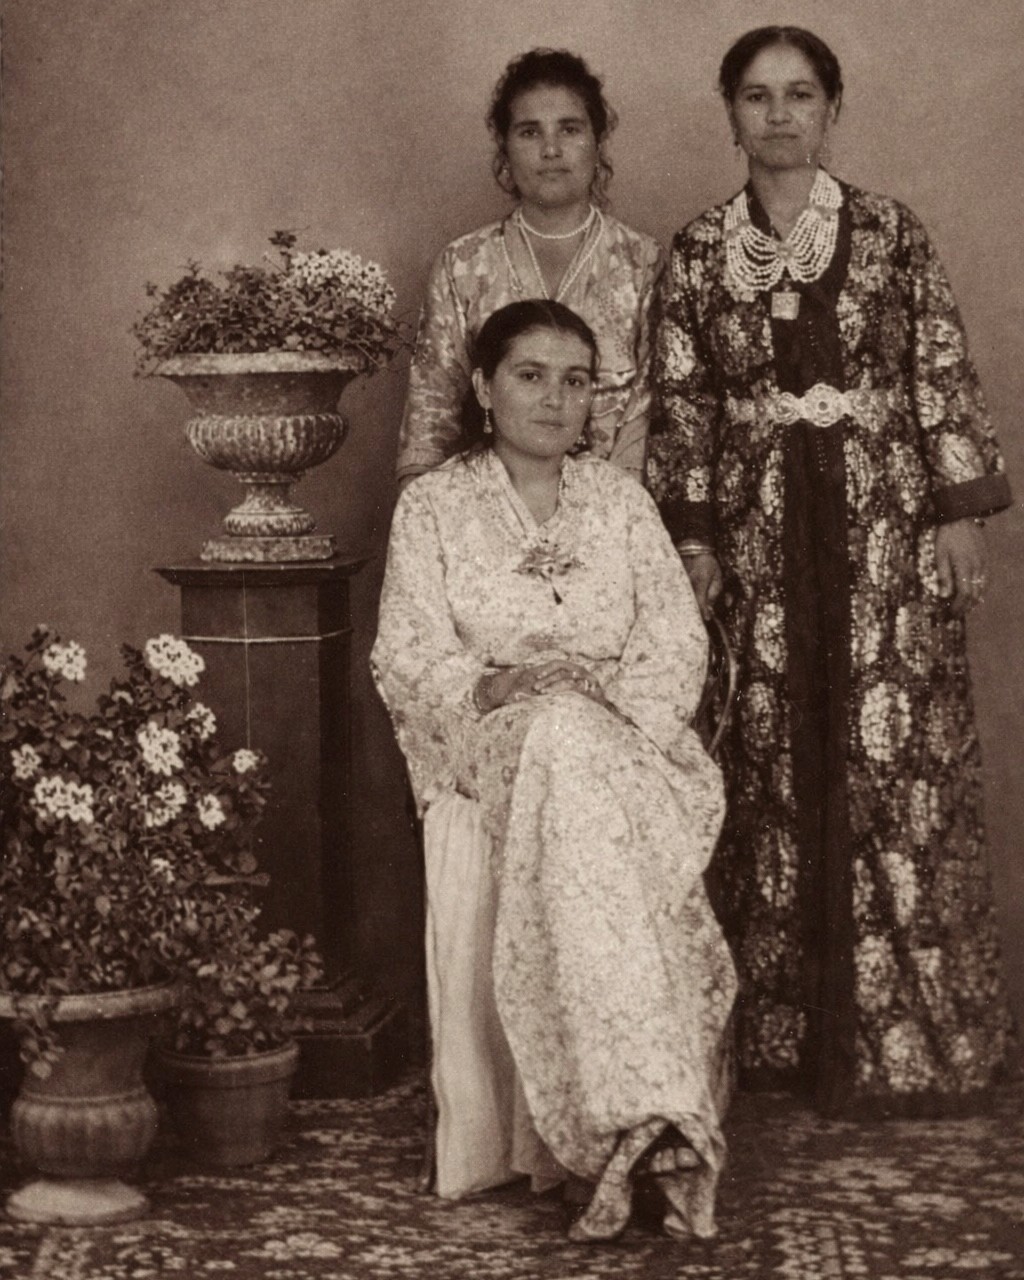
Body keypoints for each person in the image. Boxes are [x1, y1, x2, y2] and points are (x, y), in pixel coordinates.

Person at [648, 24, 1014, 1119]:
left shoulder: (892, 232)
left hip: (883, 530)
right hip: (759, 536)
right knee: (769, 760)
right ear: (729, 112)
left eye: (800, 94)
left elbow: (938, 365)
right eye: (757, 96)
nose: (779, 115)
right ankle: (781, 1042)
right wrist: (696, 540)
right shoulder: (697, 249)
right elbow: (683, 405)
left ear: (832, 109)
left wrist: (958, 513)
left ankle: (911, 1050)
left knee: (888, 758)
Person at [373, 300, 736, 1242]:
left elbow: (674, 642)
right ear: (484, 387)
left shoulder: (621, 502)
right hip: (497, 731)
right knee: (561, 745)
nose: (555, 398)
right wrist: (502, 685)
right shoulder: (434, 506)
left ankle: (622, 1124)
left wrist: (608, 707)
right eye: (530, 375)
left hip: (623, 735)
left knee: (580, 757)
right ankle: (632, 1118)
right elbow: (407, 652)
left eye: (576, 381)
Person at [396, 48, 664, 488]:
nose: (551, 150)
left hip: (614, 506)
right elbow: (431, 416)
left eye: (570, 129)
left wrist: (612, 510)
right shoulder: (463, 265)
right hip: (484, 506)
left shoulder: (643, 262)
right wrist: (428, 513)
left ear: (598, 143)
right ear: (505, 149)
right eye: (529, 132)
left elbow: (647, 413)